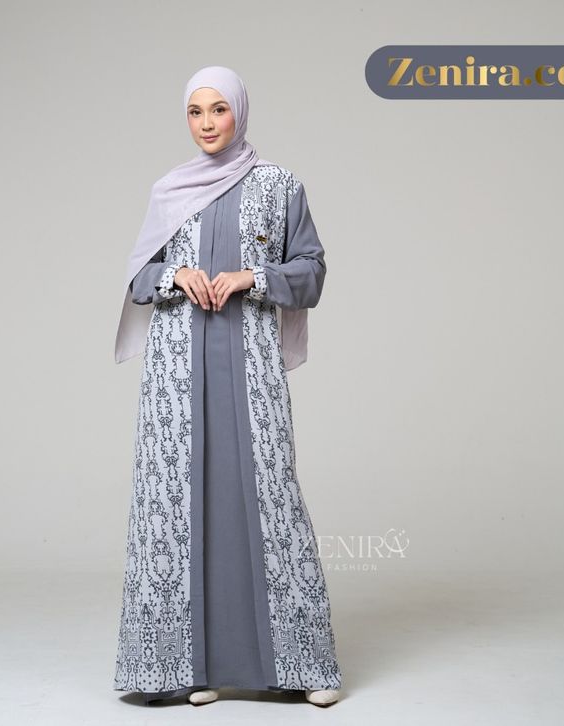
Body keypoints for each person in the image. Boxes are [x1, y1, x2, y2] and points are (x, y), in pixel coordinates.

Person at [112, 65, 342, 707]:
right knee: (179, 504)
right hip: (176, 373)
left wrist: (251, 278)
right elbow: (138, 277)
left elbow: (312, 271)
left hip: (250, 362)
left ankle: (304, 665)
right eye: (196, 111)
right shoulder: (170, 190)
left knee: (268, 496)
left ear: (240, 111)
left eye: (219, 109)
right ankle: (187, 669)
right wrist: (175, 275)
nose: (207, 123)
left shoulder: (278, 185)